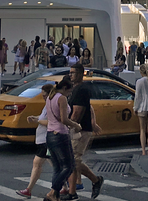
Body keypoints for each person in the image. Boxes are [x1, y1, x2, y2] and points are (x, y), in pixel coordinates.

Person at [67, 63, 103, 199]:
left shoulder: (82, 89)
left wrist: (69, 125)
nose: (71, 75)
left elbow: (77, 112)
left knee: (74, 160)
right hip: (76, 128)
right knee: (73, 160)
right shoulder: (74, 89)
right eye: (70, 72)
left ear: (81, 74)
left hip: (80, 129)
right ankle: (73, 189)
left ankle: (94, 181)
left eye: (73, 73)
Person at [43, 77, 80, 201]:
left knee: (58, 167)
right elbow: (64, 119)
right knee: (68, 166)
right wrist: (76, 125)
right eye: (69, 92)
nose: (69, 94)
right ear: (65, 88)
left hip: (50, 134)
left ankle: (55, 195)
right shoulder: (61, 98)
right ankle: (53, 192)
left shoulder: (50, 97)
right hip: (60, 134)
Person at [17, 82, 56, 198]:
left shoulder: (52, 105)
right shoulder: (47, 104)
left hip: (46, 140)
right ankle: (64, 187)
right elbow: (43, 117)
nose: (43, 97)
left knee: (40, 164)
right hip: (43, 140)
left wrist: (37, 121)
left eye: (44, 95)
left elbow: (52, 122)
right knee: (52, 165)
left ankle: (29, 189)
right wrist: (36, 117)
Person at [133, 64, 148, 156]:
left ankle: (143, 150)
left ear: (141, 72)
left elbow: (137, 96)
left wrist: (135, 107)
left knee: (142, 130)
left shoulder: (139, 81)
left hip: (142, 107)